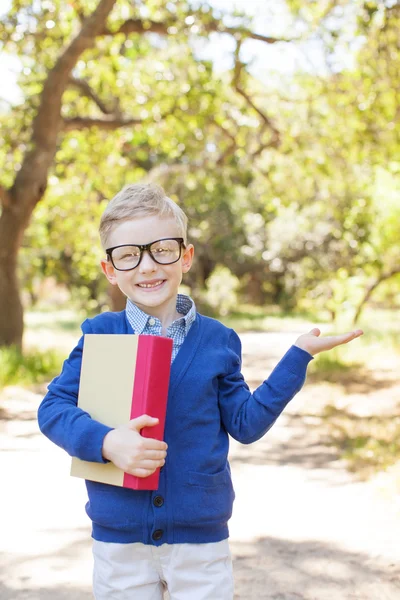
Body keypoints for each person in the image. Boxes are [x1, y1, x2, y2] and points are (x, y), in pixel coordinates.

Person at [38, 182, 363, 600]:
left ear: (186, 256)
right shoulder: (100, 334)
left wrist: (297, 358)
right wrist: (105, 442)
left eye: (162, 249)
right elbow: (53, 408)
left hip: (200, 537)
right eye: (128, 255)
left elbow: (245, 424)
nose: (148, 266)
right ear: (111, 271)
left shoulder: (218, 340)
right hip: (120, 537)